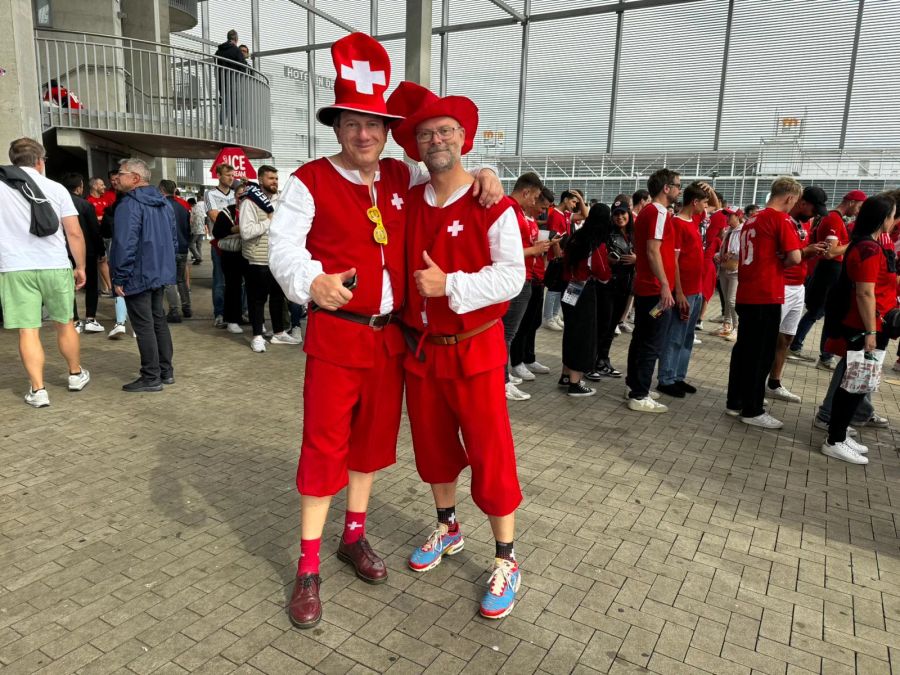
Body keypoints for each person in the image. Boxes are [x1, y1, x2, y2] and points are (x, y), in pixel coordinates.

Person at [267, 33, 502, 630]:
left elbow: (449, 181)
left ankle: (354, 535)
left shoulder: (401, 177)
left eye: (373, 123)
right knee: (324, 445)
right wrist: (310, 281)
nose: (363, 134)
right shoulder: (309, 180)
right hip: (337, 337)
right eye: (352, 123)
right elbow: (282, 247)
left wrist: (487, 176)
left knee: (371, 445)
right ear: (338, 127)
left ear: (385, 128)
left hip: (391, 340)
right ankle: (309, 566)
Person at [387, 80, 525, 619]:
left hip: (475, 347)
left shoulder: (495, 204)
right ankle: (447, 527)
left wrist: (452, 287)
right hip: (422, 349)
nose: (436, 139)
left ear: (464, 137)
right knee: (434, 448)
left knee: (491, 453)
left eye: (445, 130)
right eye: (426, 133)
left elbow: (511, 278)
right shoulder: (413, 196)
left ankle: (507, 558)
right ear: (415, 145)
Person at [0, 138, 90, 407]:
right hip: (55, 264)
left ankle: (38, 391)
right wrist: (81, 266)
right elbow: (74, 232)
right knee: (65, 323)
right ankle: (75, 374)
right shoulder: (56, 189)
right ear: (40, 160)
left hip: (15, 267)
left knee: (28, 331)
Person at [819, 195, 897, 464]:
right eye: (891, 215)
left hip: (866, 324)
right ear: (882, 218)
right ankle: (835, 439)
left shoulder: (866, 244)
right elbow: (865, 293)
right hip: (862, 325)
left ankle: (839, 433)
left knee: (856, 383)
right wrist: (871, 332)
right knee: (853, 384)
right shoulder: (868, 249)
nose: (893, 221)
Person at [725, 177, 802, 428]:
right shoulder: (780, 219)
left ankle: (736, 401)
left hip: (748, 292)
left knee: (744, 350)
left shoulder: (751, 219)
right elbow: (795, 256)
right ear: (790, 198)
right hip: (766, 293)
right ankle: (753, 409)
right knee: (761, 354)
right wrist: (782, 261)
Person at [109, 159, 177, 392]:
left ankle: (151, 376)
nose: (117, 177)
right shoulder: (164, 204)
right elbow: (173, 239)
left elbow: (124, 244)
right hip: (159, 271)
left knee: (145, 324)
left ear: (135, 178)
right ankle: (165, 371)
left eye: (121, 173)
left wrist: (119, 277)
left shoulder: (129, 205)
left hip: (138, 272)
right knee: (157, 320)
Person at [625, 168, 682, 413]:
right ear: (666, 188)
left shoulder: (652, 212)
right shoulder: (658, 212)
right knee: (651, 342)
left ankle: (635, 385)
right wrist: (666, 286)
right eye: (677, 185)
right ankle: (639, 393)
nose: (680, 189)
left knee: (642, 339)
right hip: (655, 291)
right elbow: (652, 250)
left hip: (650, 289)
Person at [766, 186, 830, 403]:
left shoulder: (804, 222)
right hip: (780, 284)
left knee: (786, 337)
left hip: (798, 285)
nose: (814, 214)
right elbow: (779, 255)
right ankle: (755, 384)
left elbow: (798, 251)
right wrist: (806, 251)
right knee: (767, 338)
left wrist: (810, 251)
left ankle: (774, 382)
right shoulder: (781, 219)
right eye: (813, 208)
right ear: (801, 202)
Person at [790, 190, 866, 368]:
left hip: (830, 270)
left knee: (821, 311)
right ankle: (814, 351)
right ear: (852, 202)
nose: (858, 211)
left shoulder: (835, 219)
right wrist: (852, 244)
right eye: (859, 207)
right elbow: (831, 252)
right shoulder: (833, 219)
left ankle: (811, 350)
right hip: (829, 270)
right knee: (820, 311)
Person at [657, 182, 717, 397]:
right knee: (675, 334)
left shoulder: (695, 219)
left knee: (687, 336)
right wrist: (679, 291)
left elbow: (716, 209)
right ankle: (665, 377)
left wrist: (708, 189)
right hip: (685, 290)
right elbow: (673, 261)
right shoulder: (677, 224)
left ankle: (678, 375)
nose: (706, 206)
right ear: (695, 202)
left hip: (697, 289)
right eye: (704, 202)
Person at [501, 171, 552, 401]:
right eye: (535, 197)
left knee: (509, 333)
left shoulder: (516, 211)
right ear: (526, 192)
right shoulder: (509, 209)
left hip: (524, 277)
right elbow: (504, 250)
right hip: (515, 278)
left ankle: (503, 378)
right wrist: (534, 250)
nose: (536, 203)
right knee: (506, 334)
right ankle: (501, 380)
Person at [240, 166, 300, 351]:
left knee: (277, 297)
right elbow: (246, 232)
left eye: (276, 178)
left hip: (277, 258)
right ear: (260, 180)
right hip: (257, 260)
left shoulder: (281, 200)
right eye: (270, 178)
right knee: (257, 300)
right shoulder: (249, 202)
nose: (274, 181)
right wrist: (269, 221)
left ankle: (279, 333)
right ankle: (257, 336)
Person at [559, 203, 612, 397]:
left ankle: (566, 374)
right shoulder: (596, 243)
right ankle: (575, 381)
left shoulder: (577, 237)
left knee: (571, 331)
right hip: (584, 289)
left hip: (570, 287)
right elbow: (603, 273)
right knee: (583, 335)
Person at [509, 186, 554, 382]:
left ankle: (528, 357)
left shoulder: (533, 223)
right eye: (542, 205)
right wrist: (535, 250)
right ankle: (516, 363)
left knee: (533, 322)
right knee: (518, 326)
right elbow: (513, 251)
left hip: (535, 277)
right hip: (522, 276)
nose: (544, 212)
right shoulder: (515, 217)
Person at [588, 199, 634, 379]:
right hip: (608, 286)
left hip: (625, 285)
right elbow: (597, 258)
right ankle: (592, 362)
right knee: (603, 325)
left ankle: (603, 360)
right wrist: (608, 260)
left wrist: (637, 259)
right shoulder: (606, 234)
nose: (620, 217)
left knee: (613, 325)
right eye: (616, 214)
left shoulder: (633, 234)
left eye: (623, 213)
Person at [61, 172, 105, 334]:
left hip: (64, 252)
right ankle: (90, 318)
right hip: (88, 251)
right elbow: (94, 230)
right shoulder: (85, 205)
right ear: (79, 188)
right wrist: (101, 250)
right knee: (92, 285)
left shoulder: (57, 204)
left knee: (69, 285)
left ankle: (75, 320)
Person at [542, 190, 586, 330]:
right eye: (573, 201)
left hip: (564, 257)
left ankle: (555, 315)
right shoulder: (555, 214)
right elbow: (554, 239)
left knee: (561, 287)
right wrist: (558, 256)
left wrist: (579, 198)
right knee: (554, 287)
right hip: (557, 258)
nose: (575, 205)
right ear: (566, 200)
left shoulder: (566, 214)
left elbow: (585, 215)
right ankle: (548, 317)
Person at [213, 186, 248, 334]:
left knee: (251, 288)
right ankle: (231, 319)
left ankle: (247, 315)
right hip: (231, 254)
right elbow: (217, 232)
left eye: (246, 195)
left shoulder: (256, 211)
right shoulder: (227, 212)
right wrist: (234, 229)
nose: (242, 198)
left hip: (250, 253)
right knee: (232, 286)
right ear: (235, 197)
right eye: (240, 195)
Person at [205, 163, 236, 327]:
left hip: (238, 242)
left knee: (240, 281)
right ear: (219, 176)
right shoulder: (210, 194)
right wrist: (236, 223)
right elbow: (215, 216)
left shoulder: (236, 193)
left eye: (233, 175)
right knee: (219, 280)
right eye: (228, 175)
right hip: (220, 243)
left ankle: (240, 312)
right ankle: (219, 314)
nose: (231, 178)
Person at [159, 180, 192, 322]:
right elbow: (188, 229)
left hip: (168, 249)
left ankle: (174, 311)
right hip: (183, 247)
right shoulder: (183, 207)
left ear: (161, 190)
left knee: (169, 281)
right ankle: (187, 307)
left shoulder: (161, 207)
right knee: (181, 280)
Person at [714, 208, 742, 339]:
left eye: (730, 215)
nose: (728, 218)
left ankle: (737, 328)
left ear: (738, 216)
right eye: (727, 215)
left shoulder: (743, 230)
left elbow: (744, 249)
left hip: (735, 269)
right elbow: (723, 248)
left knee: (731, 300)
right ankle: (727, 324)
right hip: (725, 267)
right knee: (727, 299)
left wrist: (732, 253)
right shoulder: (728, 231)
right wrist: (718, 255)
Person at [215, 29, 248, 125]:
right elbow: (243, 67)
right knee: (235, 105)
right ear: (236, 39)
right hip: (234, 82)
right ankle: (234, 126)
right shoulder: (236, 50)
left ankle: (221, 125)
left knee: (225, 104)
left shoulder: (218, 51)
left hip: (222, 82)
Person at [189, 192, 206, 264]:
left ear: (190, 203)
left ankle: (198, 257)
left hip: (196, 230)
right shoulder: (200, 208)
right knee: (199, 245)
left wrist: (190, 229)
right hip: (202, 229)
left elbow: (191, 220)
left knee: (191, 244)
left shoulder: (192, 209)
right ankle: (199, 257)